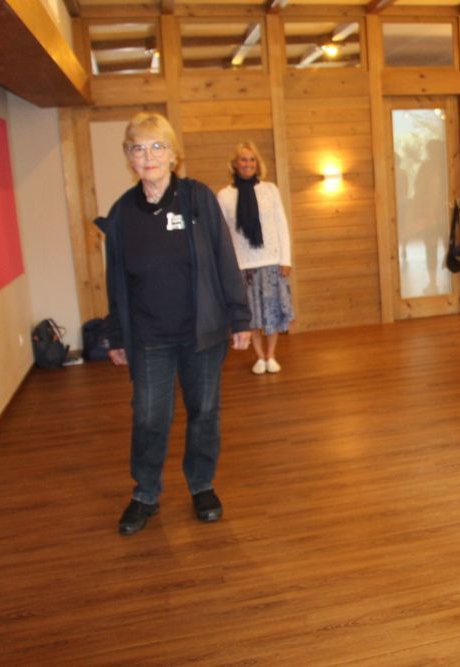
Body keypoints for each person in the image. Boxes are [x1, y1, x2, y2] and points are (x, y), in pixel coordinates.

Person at [96, 112, 252, 536]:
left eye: (157, 147)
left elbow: (224, 257)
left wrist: (239, 316)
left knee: (204, 411)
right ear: (129, 157)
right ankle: (145, 493)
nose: (148, 156)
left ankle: (202, 485)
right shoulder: (122, 213)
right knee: (149, 417)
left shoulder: (198, 199)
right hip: (149, 337)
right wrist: (115, 332)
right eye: (138, 148)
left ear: (172, 155)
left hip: (202, 332)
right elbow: (116, 280)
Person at [217, 141, 295, 374]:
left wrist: (286, 259)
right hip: (243, 266)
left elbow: (281, 225)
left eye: (252, 159)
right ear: (235, 164)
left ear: (257, 164)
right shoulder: (224, 195)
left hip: (271, 262)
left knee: (272, 312)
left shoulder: (270, 190)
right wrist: (227, 266)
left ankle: (271, 356)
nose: (248, 164)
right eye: (243, 159)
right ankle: (259, 357)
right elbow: (223, 234)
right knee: (251, 316)